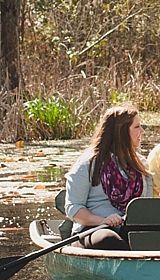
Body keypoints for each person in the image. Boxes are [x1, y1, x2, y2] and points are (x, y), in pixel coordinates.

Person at [64, 103, 151, 249]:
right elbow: (73, 208)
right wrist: (103, 220)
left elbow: (145, 206)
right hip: (94, 230)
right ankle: (129, 264)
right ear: (121, 132)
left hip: (128, 227)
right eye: (137, 127)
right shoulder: (88, 164)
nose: (142, 131)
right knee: (108, 239)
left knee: (154, 233)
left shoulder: (141, 164)